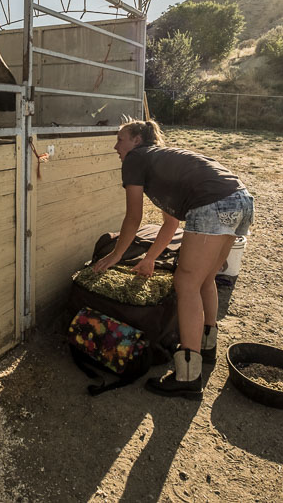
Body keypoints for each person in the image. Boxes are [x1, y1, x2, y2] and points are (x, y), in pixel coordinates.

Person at [92, 118, 254, 399]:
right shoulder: (160, 163)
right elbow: (170, 223)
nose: (116, 147)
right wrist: (149, 258)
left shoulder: (136, 158)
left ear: (136, 141)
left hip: (214, 202)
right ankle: (206, 346)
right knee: (205, 278)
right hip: (241, 198)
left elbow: (133, 217)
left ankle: (187, 376)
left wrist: (116, 255)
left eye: (120, 140)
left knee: (186, 283)